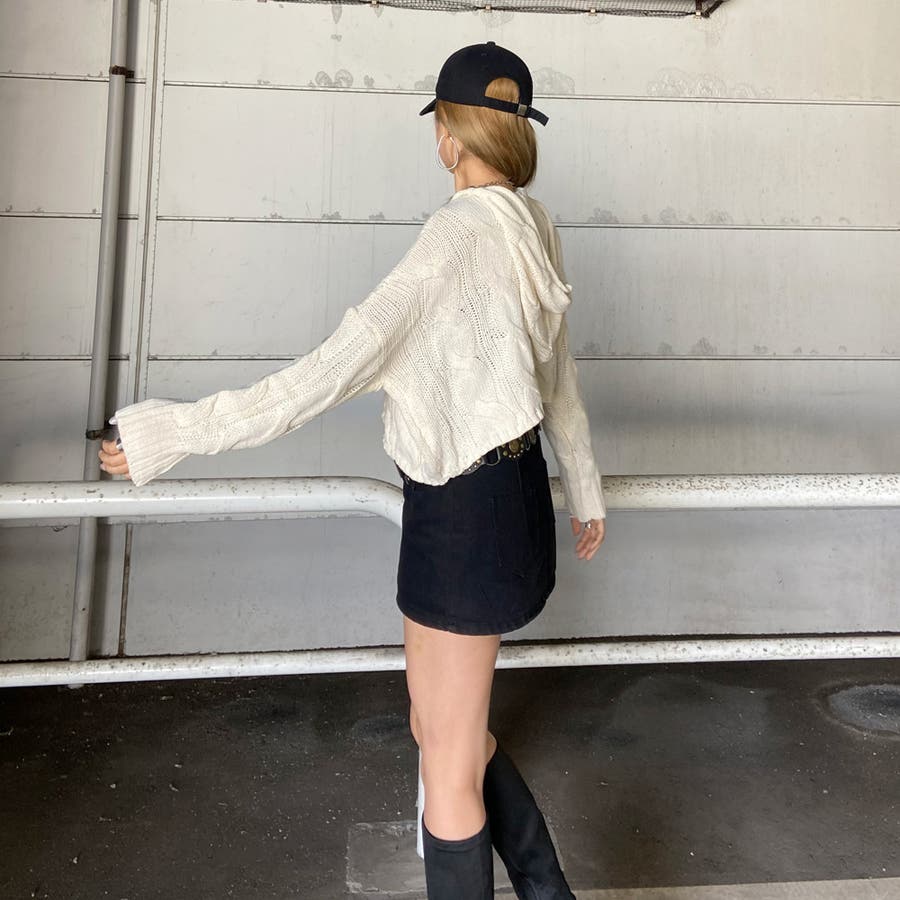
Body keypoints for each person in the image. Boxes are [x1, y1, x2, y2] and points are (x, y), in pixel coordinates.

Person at [99, 41, 606, 899]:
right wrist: (584, 487)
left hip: (464, 513)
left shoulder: (451, 240)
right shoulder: (536, 225)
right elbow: (559, 377)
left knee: (448, 761)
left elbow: (324, 374)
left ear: (448, 137)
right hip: (491, 502)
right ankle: (545, 891)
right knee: (438, 729)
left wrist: (172, 432)